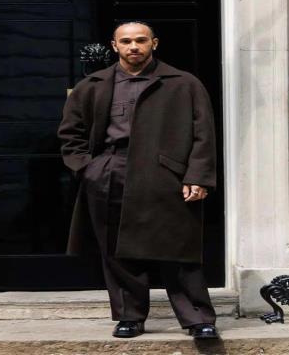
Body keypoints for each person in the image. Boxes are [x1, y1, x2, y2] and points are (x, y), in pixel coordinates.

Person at [57, 22, 218, 339]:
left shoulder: (183, 83)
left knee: (178, 248)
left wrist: (197, 176)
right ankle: (129, 316)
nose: (134, 46)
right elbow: (70, 134)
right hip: (110, 170)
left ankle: (198, 319)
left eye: (141, 40)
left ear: (154, 43)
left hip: (167, 173)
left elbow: (204, 135)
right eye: (126, 41)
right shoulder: (92, 85)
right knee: (117, 249)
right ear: (114, 45)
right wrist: (89, 169)